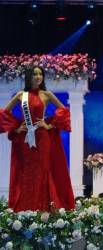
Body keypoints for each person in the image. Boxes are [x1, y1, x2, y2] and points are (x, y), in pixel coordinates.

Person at [0, 66, 75, 212]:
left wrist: (49, 125)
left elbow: (64, 111)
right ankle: (26, 208)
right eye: (35, 74)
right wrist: (15, 129)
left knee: (43, 170)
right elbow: (3, 113)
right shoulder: (21, 95)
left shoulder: (46, 94)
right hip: (26, 139)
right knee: (27, 171)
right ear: (29, 77)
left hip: (42, 138)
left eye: (40, 74)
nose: (38, 76)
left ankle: (45, 208)